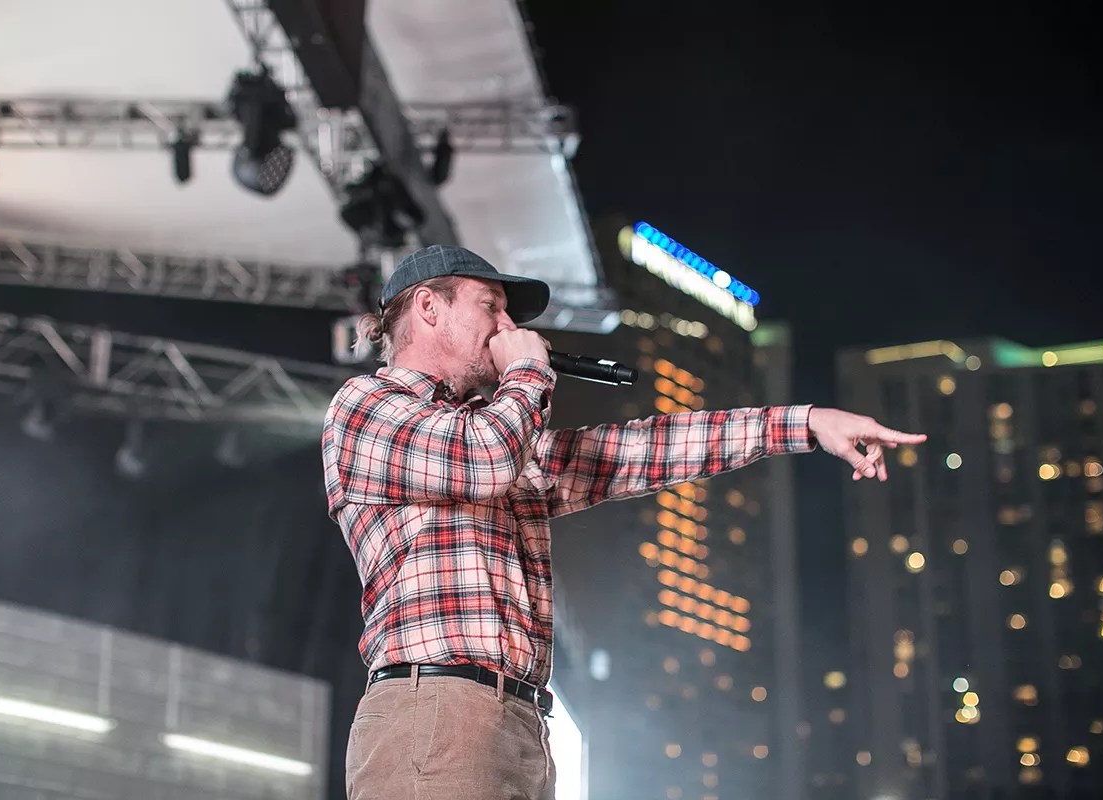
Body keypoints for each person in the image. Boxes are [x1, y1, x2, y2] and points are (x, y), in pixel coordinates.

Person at [321, 245, 926, 800]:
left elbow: (637, 450)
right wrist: (528, 372)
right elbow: (484, 460)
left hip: (521, 723)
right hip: (436, 713)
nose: (508, 327)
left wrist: (806, 423)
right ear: (429, 307)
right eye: (491, 307)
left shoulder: (498, 430)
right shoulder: (366, 408)